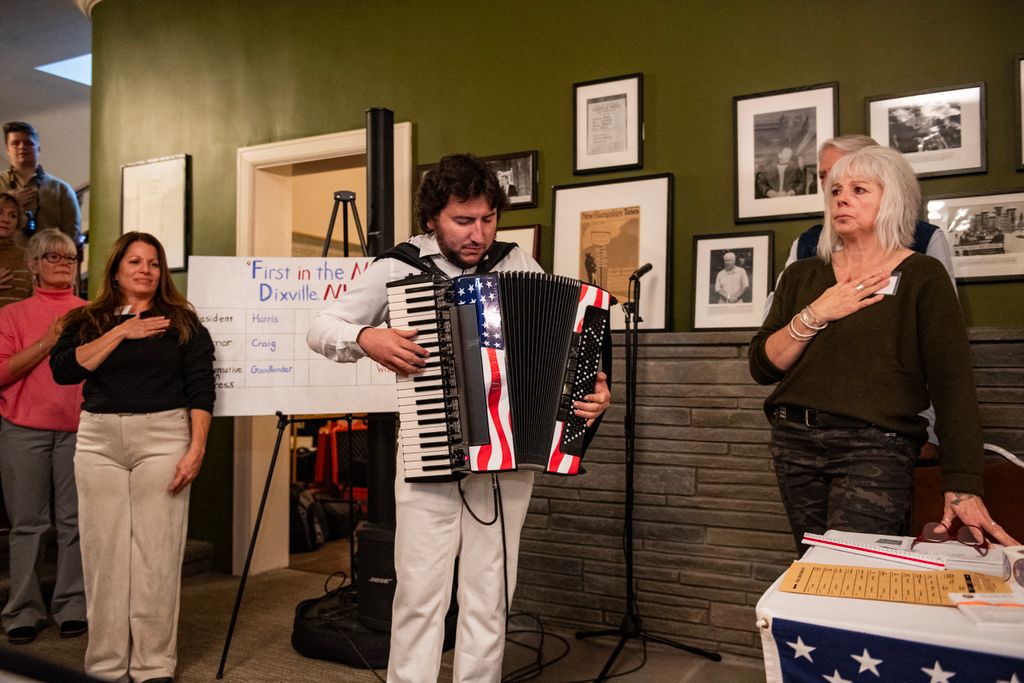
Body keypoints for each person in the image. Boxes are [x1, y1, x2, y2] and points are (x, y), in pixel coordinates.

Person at [307, 154, 611, 683]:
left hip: (507, 459)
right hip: (430, 448)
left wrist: (591, 390)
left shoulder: (517, 265)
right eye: (462, 221)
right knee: (421, 594)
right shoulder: (399, 268)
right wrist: (365, 336)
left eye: (488, 220)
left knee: (489, 593)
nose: (478, 234)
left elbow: (564, 351)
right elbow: (320, 326)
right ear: (432, 219)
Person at [749, 146, 1018, 552]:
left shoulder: (921, 275)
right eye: (836, 189)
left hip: (873, 448)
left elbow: (952, 384)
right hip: (794, 442)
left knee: (852, 576)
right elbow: (763, 366)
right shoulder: (802, 275)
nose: (841, 197)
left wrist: (962, 483)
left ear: (892, 199)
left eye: (859, 189)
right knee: (811, 573)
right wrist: (818, 312)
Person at [50, 232, 215, 683]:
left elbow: (202, 389)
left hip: (164, 437)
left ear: (162, 272)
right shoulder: (87, 318)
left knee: (156, 557)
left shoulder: (183, 322)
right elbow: (65, 369)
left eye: (154, 263)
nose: (145, 269)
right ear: (116, 269)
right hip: (99, 440)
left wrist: (196, 448)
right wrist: (122, 329)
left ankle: (153, 665)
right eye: (135, 261)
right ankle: (104, 665)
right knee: (103, 558)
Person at [0, 229, 87, 645]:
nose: (63, 263)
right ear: (32, 265)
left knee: (75, 524)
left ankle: (73, 605)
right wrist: (47, 342)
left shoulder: (92, 314)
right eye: (52, 257)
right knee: (28, 526)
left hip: (80, 432)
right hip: (23, 431)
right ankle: (22, 609)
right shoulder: (11, 316)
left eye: (70, 257)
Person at [1, 122, 81, 247]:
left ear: (38, 148)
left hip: (46, 262)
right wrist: (10, 202)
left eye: (28, 143)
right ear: (7, 149)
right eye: (15, 143)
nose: (22, 147)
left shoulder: (61, 189)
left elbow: (72, 235)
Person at [0, 192, 33, 308]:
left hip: (18, 325)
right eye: (0, 212)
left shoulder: (27, 257)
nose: (5, 220)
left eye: (13, 215)